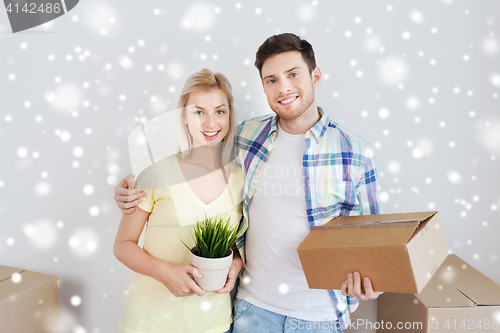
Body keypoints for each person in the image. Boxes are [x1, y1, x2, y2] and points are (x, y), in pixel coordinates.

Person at [114, 33, 383, 333]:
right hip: (252, 311)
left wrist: (374, 282)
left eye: (293, 74)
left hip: (319, 315)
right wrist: (127, 187)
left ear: (315, 76)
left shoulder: (355, 151)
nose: (284, 88)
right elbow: (200, 161)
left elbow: (375, 239)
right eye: (271, 80)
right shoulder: (247, 138)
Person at [113, 68, 244, 333]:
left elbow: (240, 242)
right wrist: (165, 272)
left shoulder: (242, 177)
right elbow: (122, 245)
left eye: (220, 111)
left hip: (213, 323)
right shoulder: (155, 172)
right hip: (150, 323)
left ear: (229, 115)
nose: (210, 123)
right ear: (183, 115)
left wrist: (237, 264)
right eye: (199, 112)